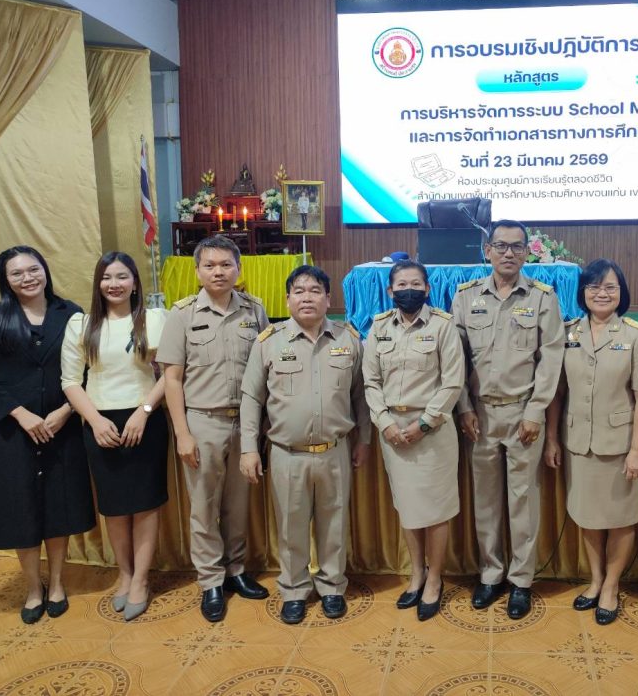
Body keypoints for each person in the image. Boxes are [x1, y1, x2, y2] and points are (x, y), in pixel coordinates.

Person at [0, 246, 96, 624]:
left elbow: (87, 370)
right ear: (5, 280)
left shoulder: (70, 313)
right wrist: (20, 414)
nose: (27, 278)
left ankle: (56, 583)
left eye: (33, 269)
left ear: (44, 270)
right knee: (20, 510)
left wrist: (66, 411)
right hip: (9, 431)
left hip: (60, 428)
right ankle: (32, 587)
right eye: (17, 273)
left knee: (58, 508)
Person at [239, 265, 370, 624]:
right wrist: (248, 448)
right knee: (290, 527)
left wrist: (364, 440)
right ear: (287, 299)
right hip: (287, 454)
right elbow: (251, 398)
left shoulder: (348, 339)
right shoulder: (269, 341)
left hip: (335, 451)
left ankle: (332, 587)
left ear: (328, 298)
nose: (307, 297)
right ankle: (294, 590)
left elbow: (361, 396)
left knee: (334, 525)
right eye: (299, 291)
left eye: (315, 291)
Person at [451, 219, 565, 619]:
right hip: (479, 415)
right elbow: (455, 359)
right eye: (500, 245)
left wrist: (535, 411)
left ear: (526, 253)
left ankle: (521, 581)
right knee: (485, 500)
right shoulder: (466, 296)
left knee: (523, 500)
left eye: (517, 246)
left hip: (523, 415)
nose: (508, 253)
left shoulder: (542, 298)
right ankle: (490, 573)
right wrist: (464, 407)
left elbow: (551, 358)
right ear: (488, 251)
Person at [159, 235, 270, 623]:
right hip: (202, 422)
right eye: (209, 265)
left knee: (238, 505)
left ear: (239, 269)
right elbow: (172, 379)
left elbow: (265, 369)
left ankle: (235, 570)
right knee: (204, 506)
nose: (218, 272)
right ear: (197, 271)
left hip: (246, 424)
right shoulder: (182, 314)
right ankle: (210, 581)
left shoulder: (255, 310)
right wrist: (182, 433)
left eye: (226, 265)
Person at [544, 259, 638, 625]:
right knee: (589, 517)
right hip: (578, 443)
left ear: (621, 292)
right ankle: (595, 580)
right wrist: (552, 439)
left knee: (621, 520)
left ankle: (611, 586)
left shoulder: (636, 335)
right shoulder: (569, 332)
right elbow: (557, 393)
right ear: (583, 292)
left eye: (610, 287)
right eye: (594, 286)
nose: (602, 293)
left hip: (620, 445)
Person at [60, 252, 168, 621]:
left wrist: (144, 411)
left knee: (146, 505)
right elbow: (70, 381)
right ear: (98, 283)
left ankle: (141, 579)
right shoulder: (81, 324)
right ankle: (124, 573)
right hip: (100, 423)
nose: (114, 284)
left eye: (122, 276)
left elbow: (171, 373)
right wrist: (94, 420)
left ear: (135, 282)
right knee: (115, 507)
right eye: (107, 277)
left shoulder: (154, 319)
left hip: (145, 421)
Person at [362, 260, 466, 621]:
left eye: (416, 284)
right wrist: (384, 422)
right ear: (390, 290)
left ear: (427, 288)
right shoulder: (378, 328)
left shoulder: (443, 326)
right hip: (392, 432)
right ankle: (417, 574)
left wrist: (424, 424)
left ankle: (435, 579)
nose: (409, 290)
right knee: (408, 508)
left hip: (432, 431)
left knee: (435, 511)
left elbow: (453, 382)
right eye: (402, 284)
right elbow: (370, 382)